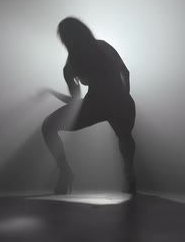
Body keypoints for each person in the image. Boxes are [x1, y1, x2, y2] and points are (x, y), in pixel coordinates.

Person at [41, 17, 137, 194]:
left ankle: (129, 175)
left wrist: (124, 97)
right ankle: (66, 171)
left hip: (111, 102)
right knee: (48, 126)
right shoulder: (71, 65)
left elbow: (125, 72)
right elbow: (75, 101)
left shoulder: (99, 49)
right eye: (63, 36)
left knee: (124, 136)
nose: (65, 39)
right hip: (99, 104)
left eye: (66, 35)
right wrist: (124, 98)